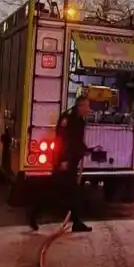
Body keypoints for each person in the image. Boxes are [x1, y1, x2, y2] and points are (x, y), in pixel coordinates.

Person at [28, 96, 92, 233]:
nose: (89, 109)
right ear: (80, 106)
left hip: (71, 162)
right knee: (54, 191)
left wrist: (86, 150)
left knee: (72, 193)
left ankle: (76, 222)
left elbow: (76, 140)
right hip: (64, 163)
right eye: (87, 106)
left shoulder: (80, 120)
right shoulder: (68, 119)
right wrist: (63, 160)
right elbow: (62, 140)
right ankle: (34, 214)